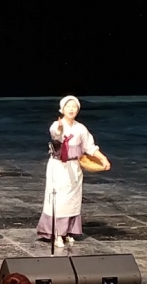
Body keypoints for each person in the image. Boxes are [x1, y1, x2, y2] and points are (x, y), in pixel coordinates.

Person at [36, 96, 111, 248]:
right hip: (58, 167)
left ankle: (69, 231)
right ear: (62, 109)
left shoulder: (80, 128)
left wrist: (103, 159)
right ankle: (57, 233)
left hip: (74, 167)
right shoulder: (57, 125)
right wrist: (59, 129)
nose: (71, 109)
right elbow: (55, 133)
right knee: (59, 200)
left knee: (73, 200)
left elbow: (90, 147)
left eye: (74, 107)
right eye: (68, 106)